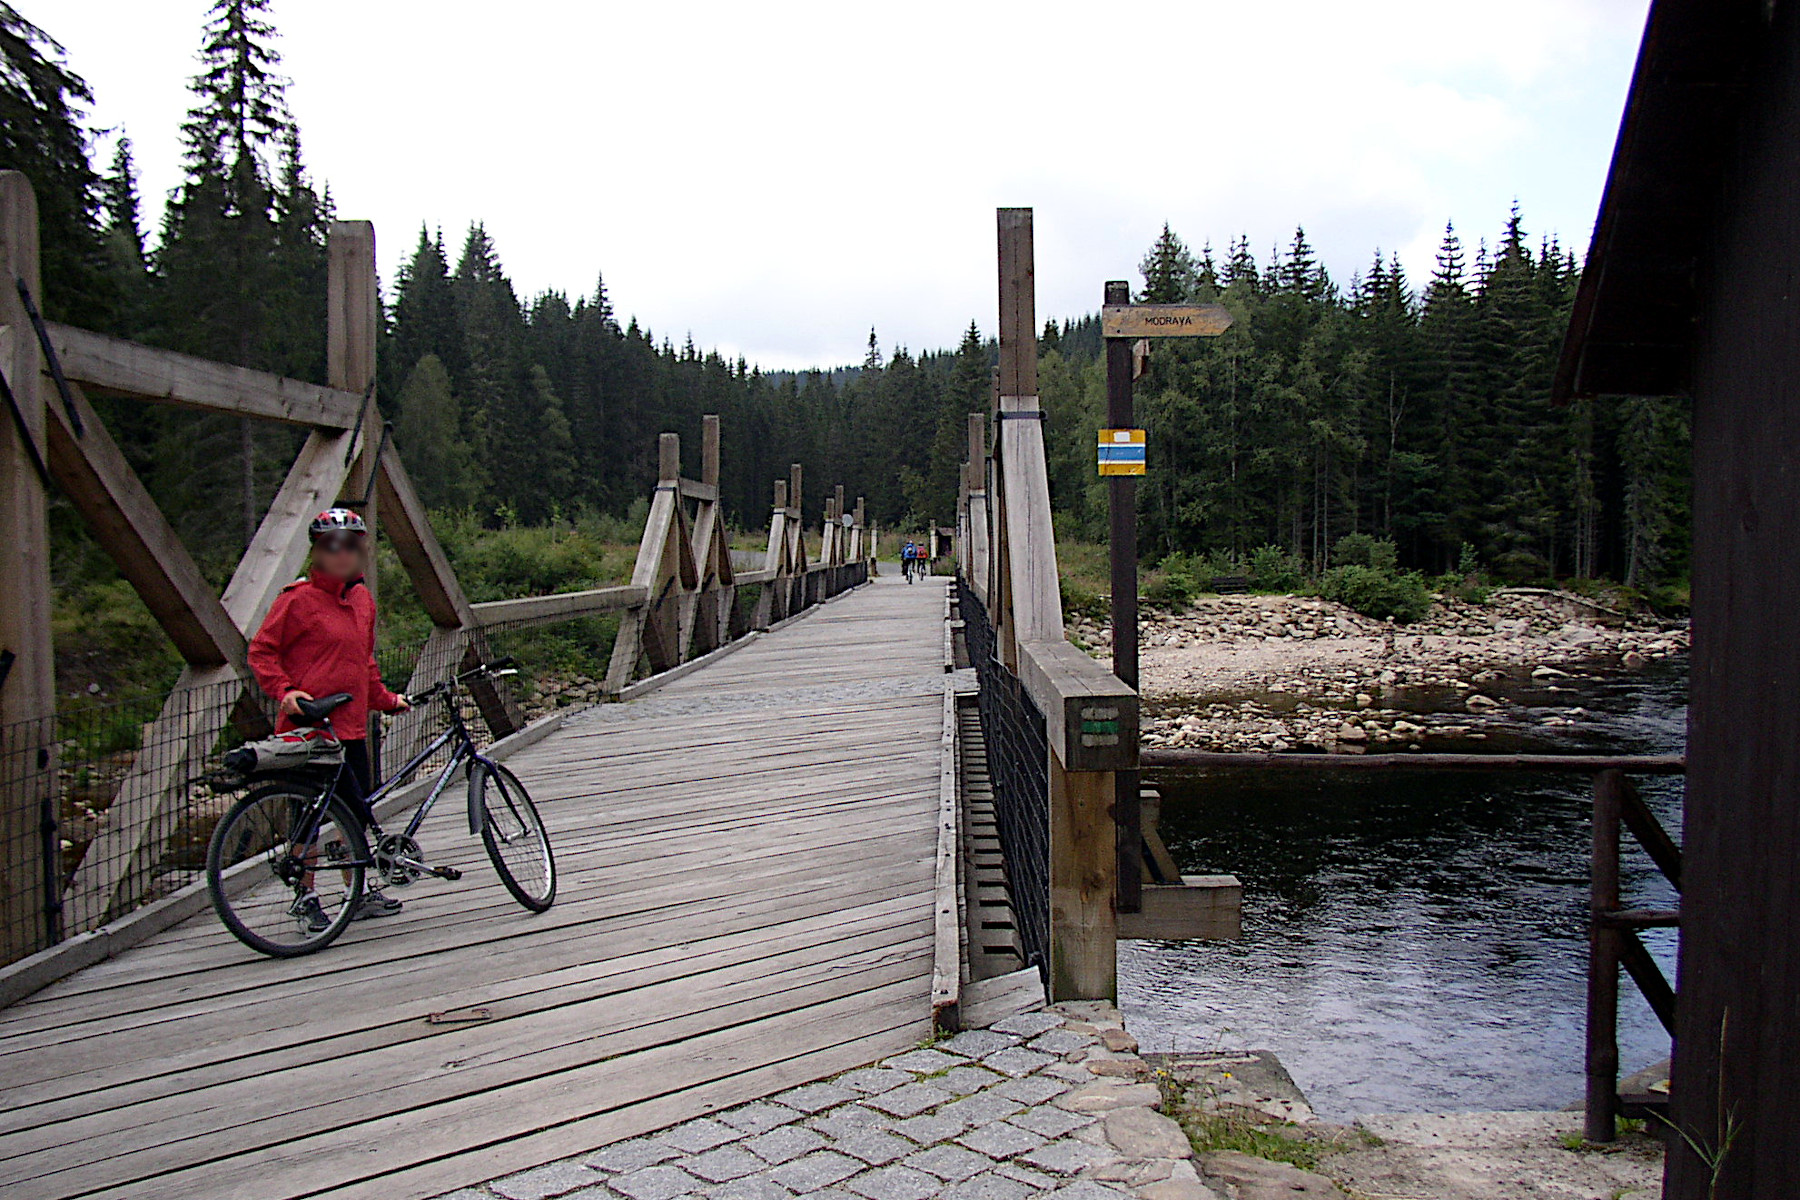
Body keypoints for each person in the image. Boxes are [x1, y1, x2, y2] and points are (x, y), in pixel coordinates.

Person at [248, 507, 411, 927]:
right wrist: (285, 693)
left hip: (353, 728)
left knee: (353, 815)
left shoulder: (361, 600)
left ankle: (354, 892)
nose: (343, 554)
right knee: (310, 817)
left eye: (352, 546)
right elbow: (261, 652)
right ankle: (305, 899)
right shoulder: (296, 600)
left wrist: (386, 699)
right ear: (318, 552)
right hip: (311, 729)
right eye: (332, 546)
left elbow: (363, 662)